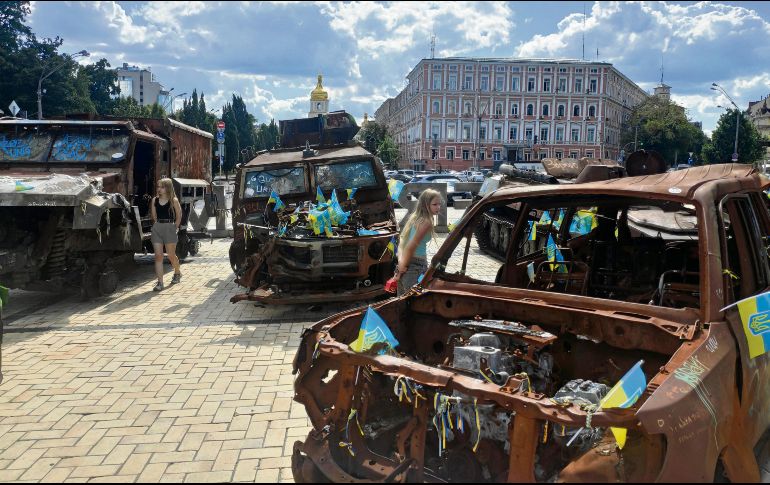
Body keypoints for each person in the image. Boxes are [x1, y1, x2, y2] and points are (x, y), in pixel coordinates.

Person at [394, 189, 442, 296]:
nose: (438, 207)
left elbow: (402, 242)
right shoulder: (426, 222)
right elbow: (410, 247)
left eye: (439, 204)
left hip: (406, 264)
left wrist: (400, 264)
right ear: (425, 205)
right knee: (415, 302)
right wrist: (401, 267)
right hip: (415, 266)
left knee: (401, 302)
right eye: (435, 204)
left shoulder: (415, 218)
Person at [150, 178, 183, 291]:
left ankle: (177, 272)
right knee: (158, 256)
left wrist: (175, 227)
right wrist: (158, 226)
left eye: (162, 187)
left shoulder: (173, 200)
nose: (159, 189)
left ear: (168, 188)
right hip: (157, 228)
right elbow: (154, 217)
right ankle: (160, 282)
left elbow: (179, 216)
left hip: (170, 228)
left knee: (171, 255)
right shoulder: (154, 200)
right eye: (158, 187)